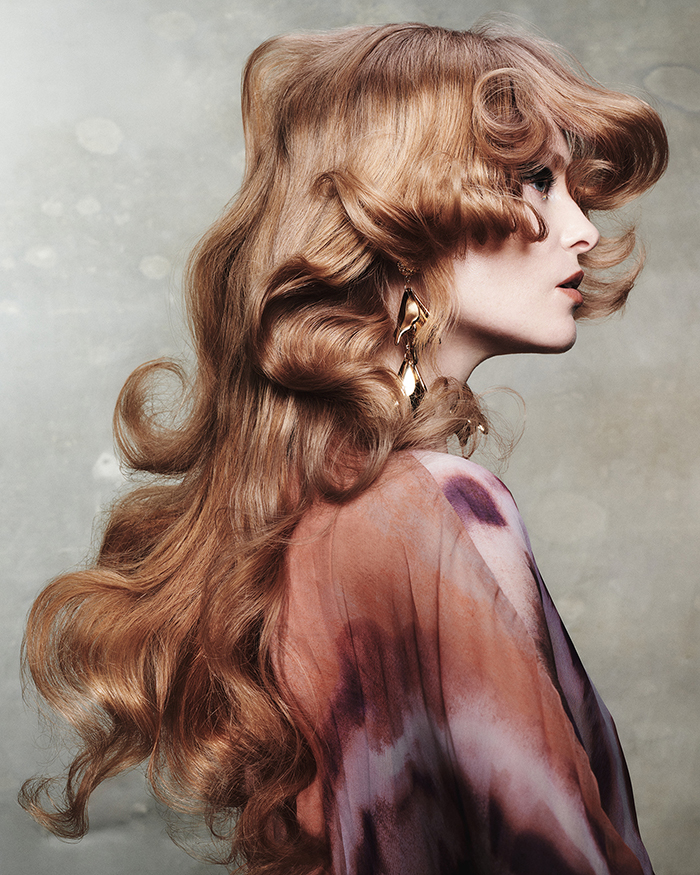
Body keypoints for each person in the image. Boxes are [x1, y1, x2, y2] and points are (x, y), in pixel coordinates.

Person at [20, 21, 668, 875]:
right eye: (536, 182)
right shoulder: (439, 507)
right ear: (402, 212)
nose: (582, 229)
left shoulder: (310, 520)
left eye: (577, 191)